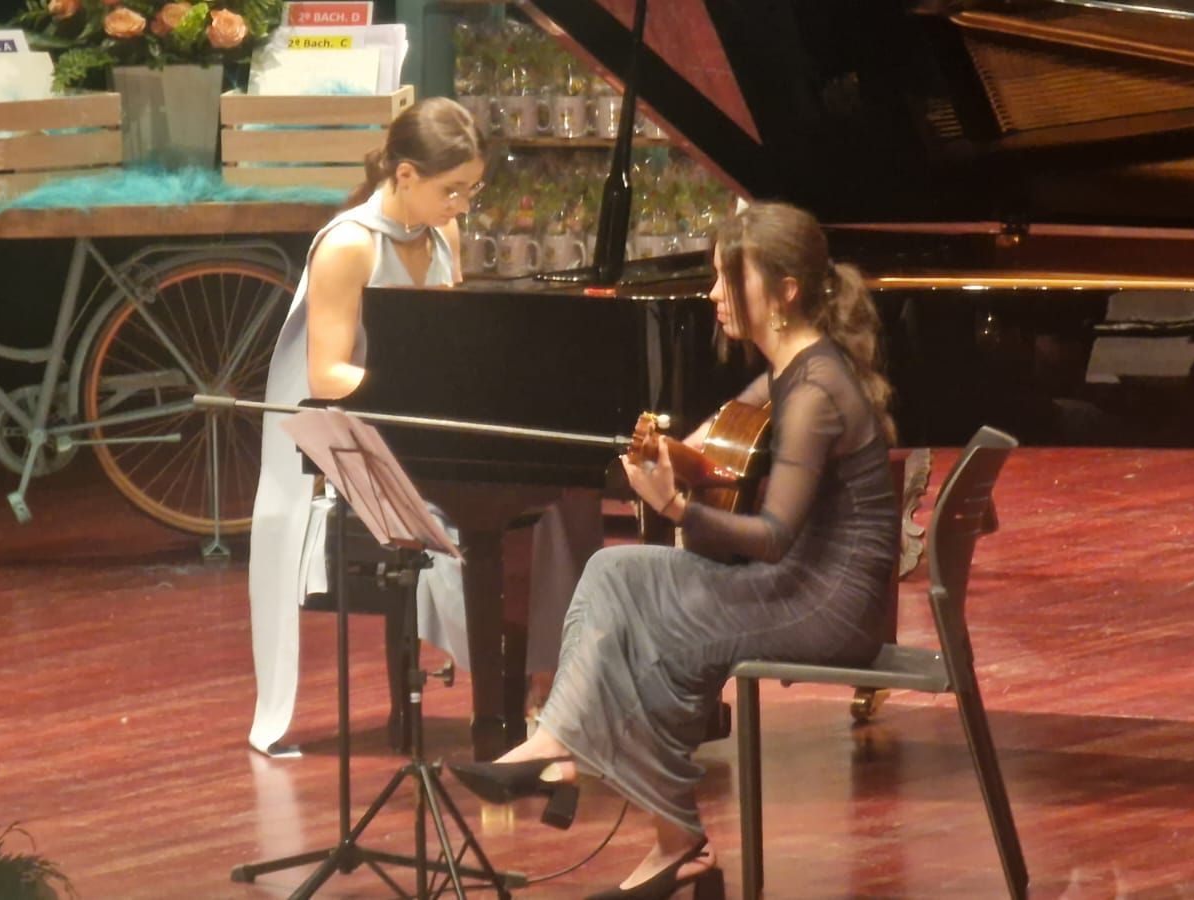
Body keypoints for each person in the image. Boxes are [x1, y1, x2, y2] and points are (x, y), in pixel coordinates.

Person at [449, 202, 900, 899]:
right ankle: (561, 755)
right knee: (611, 570)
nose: (715, 294)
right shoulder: (793, 368)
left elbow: (776, 536)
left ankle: (671, 836)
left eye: (729, 279)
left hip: (829, 603)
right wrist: (676, 460)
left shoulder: (815, 390)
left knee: (658, 632)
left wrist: (674, 506)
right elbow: (730, 464)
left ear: (782, 291)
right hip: (805, 583)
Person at [246, 97, 602, 755]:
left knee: (559, 489)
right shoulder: (347, 245)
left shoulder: (443, 235)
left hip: (415, 421)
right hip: (349, 439)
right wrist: (425, 395)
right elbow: (327, 376)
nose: (463, 205)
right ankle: (500, 699)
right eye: (453, 189)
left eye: (472, 190)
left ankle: (554, 682)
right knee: (469, 508)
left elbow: (443, 345)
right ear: (405, 175)